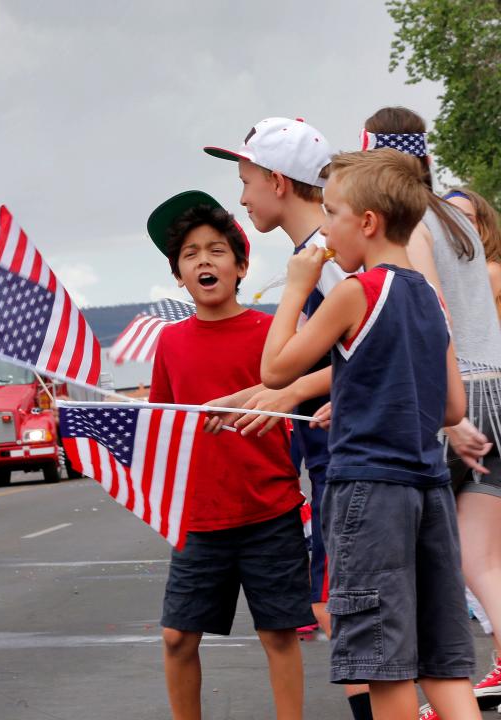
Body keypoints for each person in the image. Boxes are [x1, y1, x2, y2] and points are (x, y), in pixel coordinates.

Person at [261, 148, 478, 720]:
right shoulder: (429, 297)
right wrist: (363, 393)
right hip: (427, 489)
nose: (325, 227)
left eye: (331, 212)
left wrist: (295, 285)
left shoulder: (354, 292)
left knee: (383, 664)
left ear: (367, 222)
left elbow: (275, 369)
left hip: (369, 494)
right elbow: (451, 406)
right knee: (443, 663)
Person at [205, 117, 373, 718]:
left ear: (279, 181)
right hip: (342, 454)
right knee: (349, 614)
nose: (242, 196)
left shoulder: (325, 258)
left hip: (353, 457)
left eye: (246, 180)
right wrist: (249, 397)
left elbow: (373, 345)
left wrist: (288, 389)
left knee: (347, 614)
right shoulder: (320, 256)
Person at [146, 190, 313, 720]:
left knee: (278, 635)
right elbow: (162, 425)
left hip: (271, 511)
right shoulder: (170, 343)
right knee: (177, 637)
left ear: (240, 266)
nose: (203, 261)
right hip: (199, 519)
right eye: (190, 254)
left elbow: (304, 397)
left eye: (216, 250)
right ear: (178, 275)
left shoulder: (272, 331)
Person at [361, 107, 501, 716]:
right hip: (498, 388)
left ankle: (425, 692)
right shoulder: (455, 215)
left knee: (425, 558)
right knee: (482, 559)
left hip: (458, 396)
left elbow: (430, 312)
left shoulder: (415, 223)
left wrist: (447, 415)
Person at [443, 187, 501, 324]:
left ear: (483, 227)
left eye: (467, 219)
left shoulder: (489, 272)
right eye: (449, 218)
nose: (458, 225)